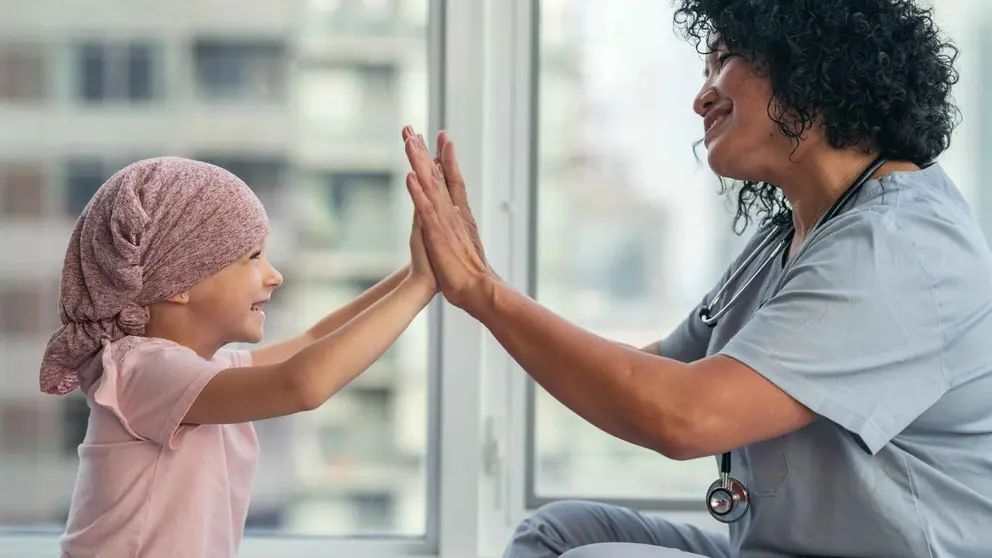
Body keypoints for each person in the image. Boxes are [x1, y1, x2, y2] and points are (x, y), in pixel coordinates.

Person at [398, 0, 992, 555]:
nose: (701, 98)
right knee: (557, 534)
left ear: (811, 64)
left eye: (723, 60)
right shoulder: (790, 238)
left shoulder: (896, 246)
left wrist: (484, 291)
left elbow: (684, 417)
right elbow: (655, 375)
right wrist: (481, 295)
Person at [39, 156, 437, 558]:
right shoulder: (142, 371)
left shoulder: (195, 373)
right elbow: (302, 384)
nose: (273, 275)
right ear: (181, 281)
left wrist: (420, 270)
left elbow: (314, 340)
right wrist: (421, 285)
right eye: (252, 257)